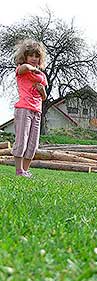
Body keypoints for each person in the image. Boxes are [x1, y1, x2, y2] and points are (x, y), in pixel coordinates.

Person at [12, 39, 47, 178]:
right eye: (31, 55)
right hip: (24, 109)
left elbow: (43, 97)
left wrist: (42, 90)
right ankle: (18, 170)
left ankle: (25, 170)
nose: (34, 58)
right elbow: (23, 68)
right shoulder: (22, 70)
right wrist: (32, 68)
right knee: (22, 139)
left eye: (37, 56)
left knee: (33, 143)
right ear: (25, 57)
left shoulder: (42, 76)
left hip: (36, 111)